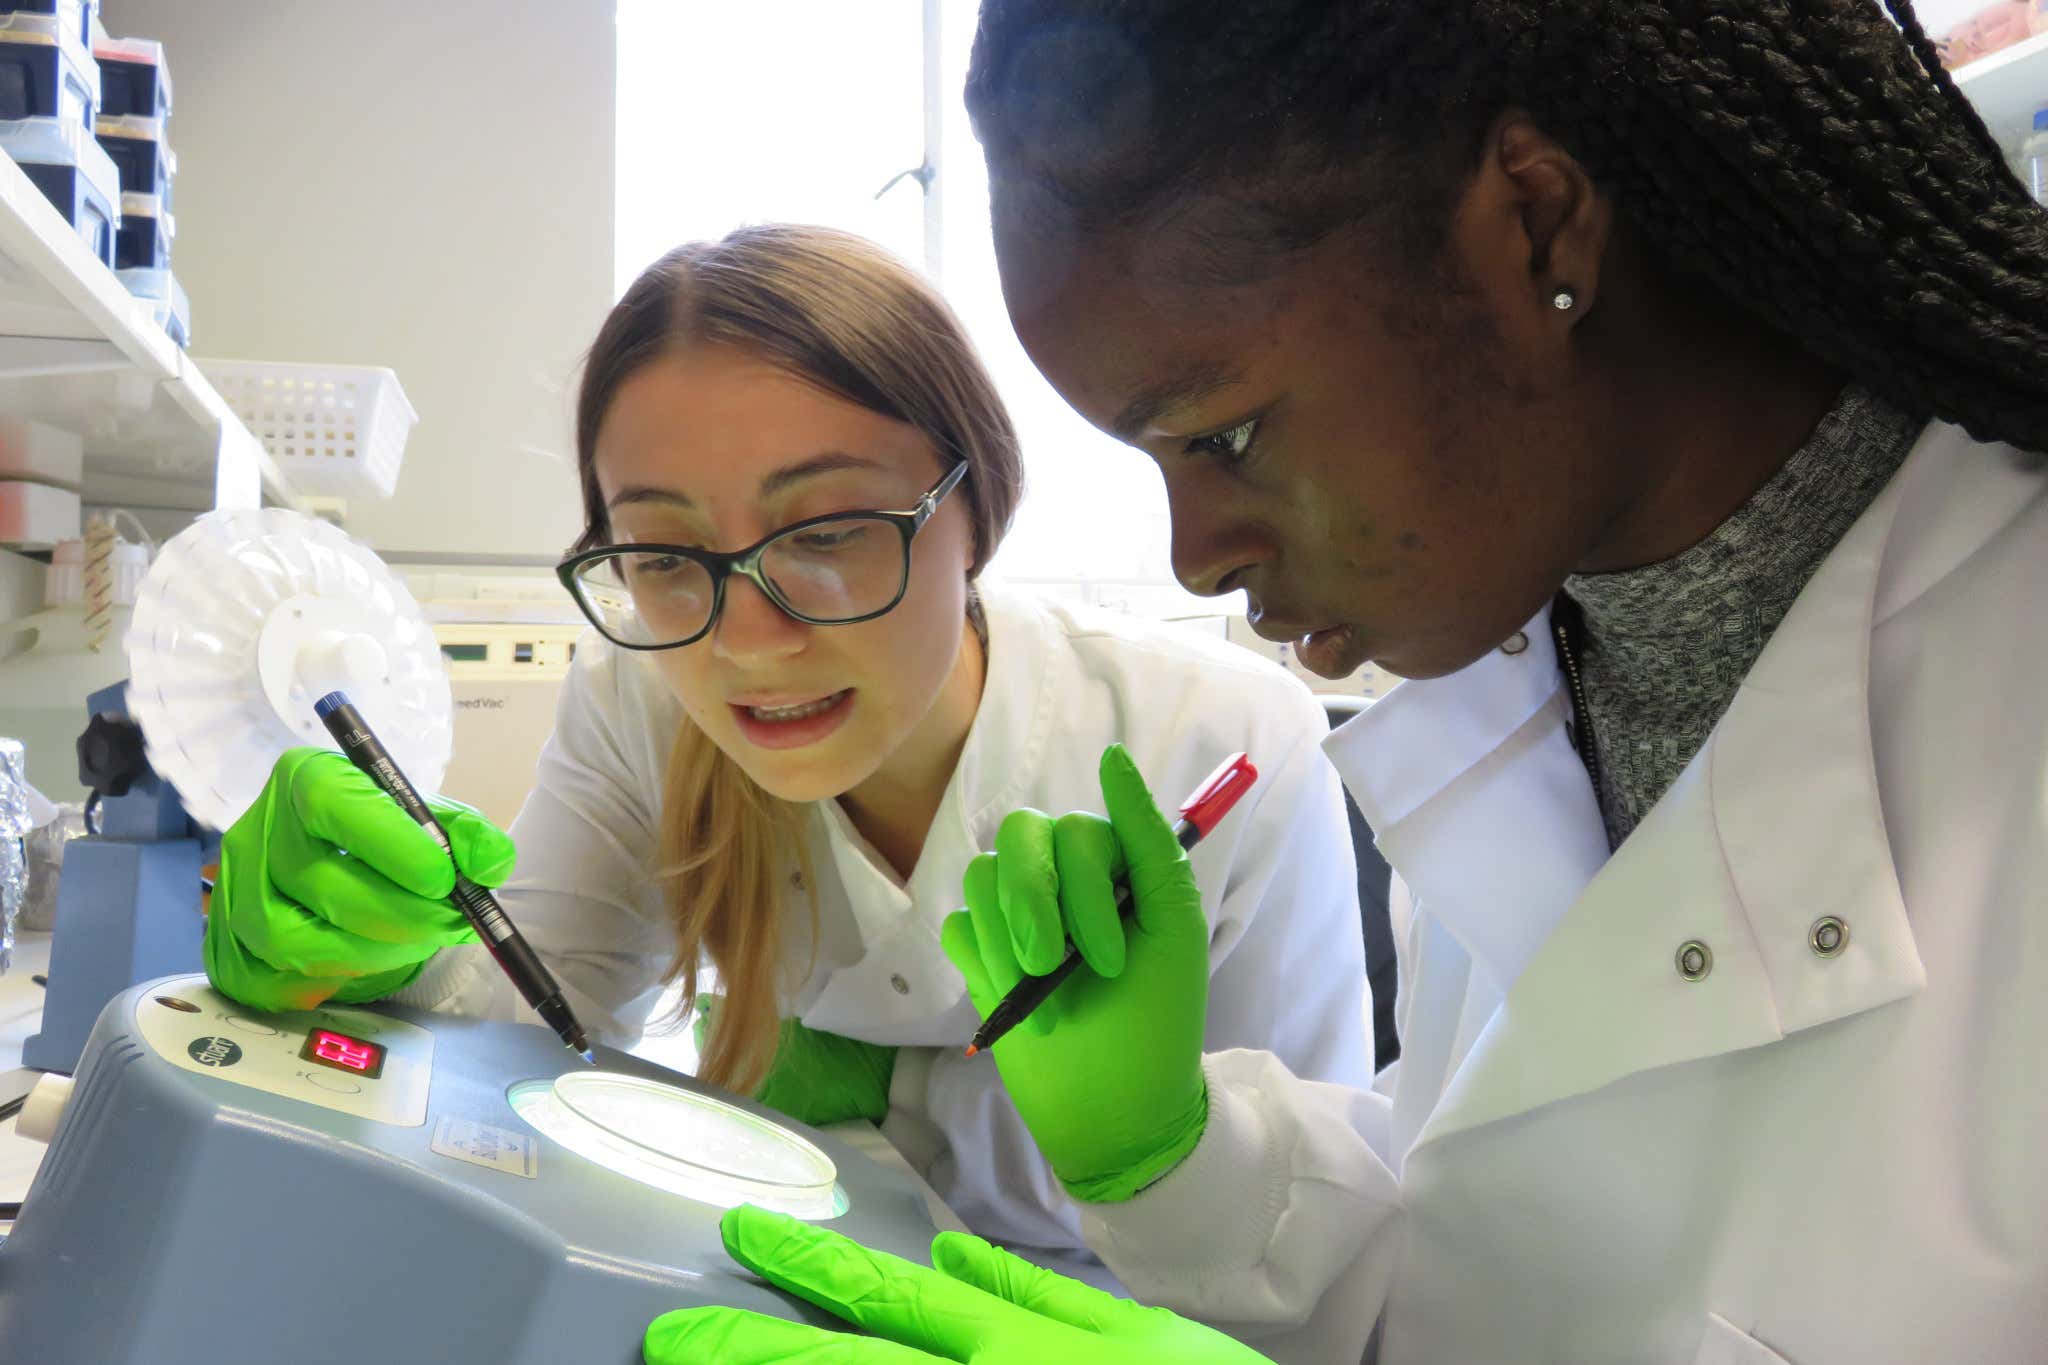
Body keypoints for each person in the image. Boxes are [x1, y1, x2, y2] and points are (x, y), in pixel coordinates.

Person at [642, 3, 2048, 1363]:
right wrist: (1173, 1154)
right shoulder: (1535, 658)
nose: (1195, 560)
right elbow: (1502, 1253)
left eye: (1226, 434)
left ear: (1538, 224)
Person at [202, 223, 1370, 1282]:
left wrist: (914, 1106)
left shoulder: (1214, 743)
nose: (750, 641)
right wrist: (362, 969)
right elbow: (519, 1034)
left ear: (977, 512)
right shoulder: (634, 703)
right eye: (662, 554)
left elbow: (1317, 1243)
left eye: (826, 533)